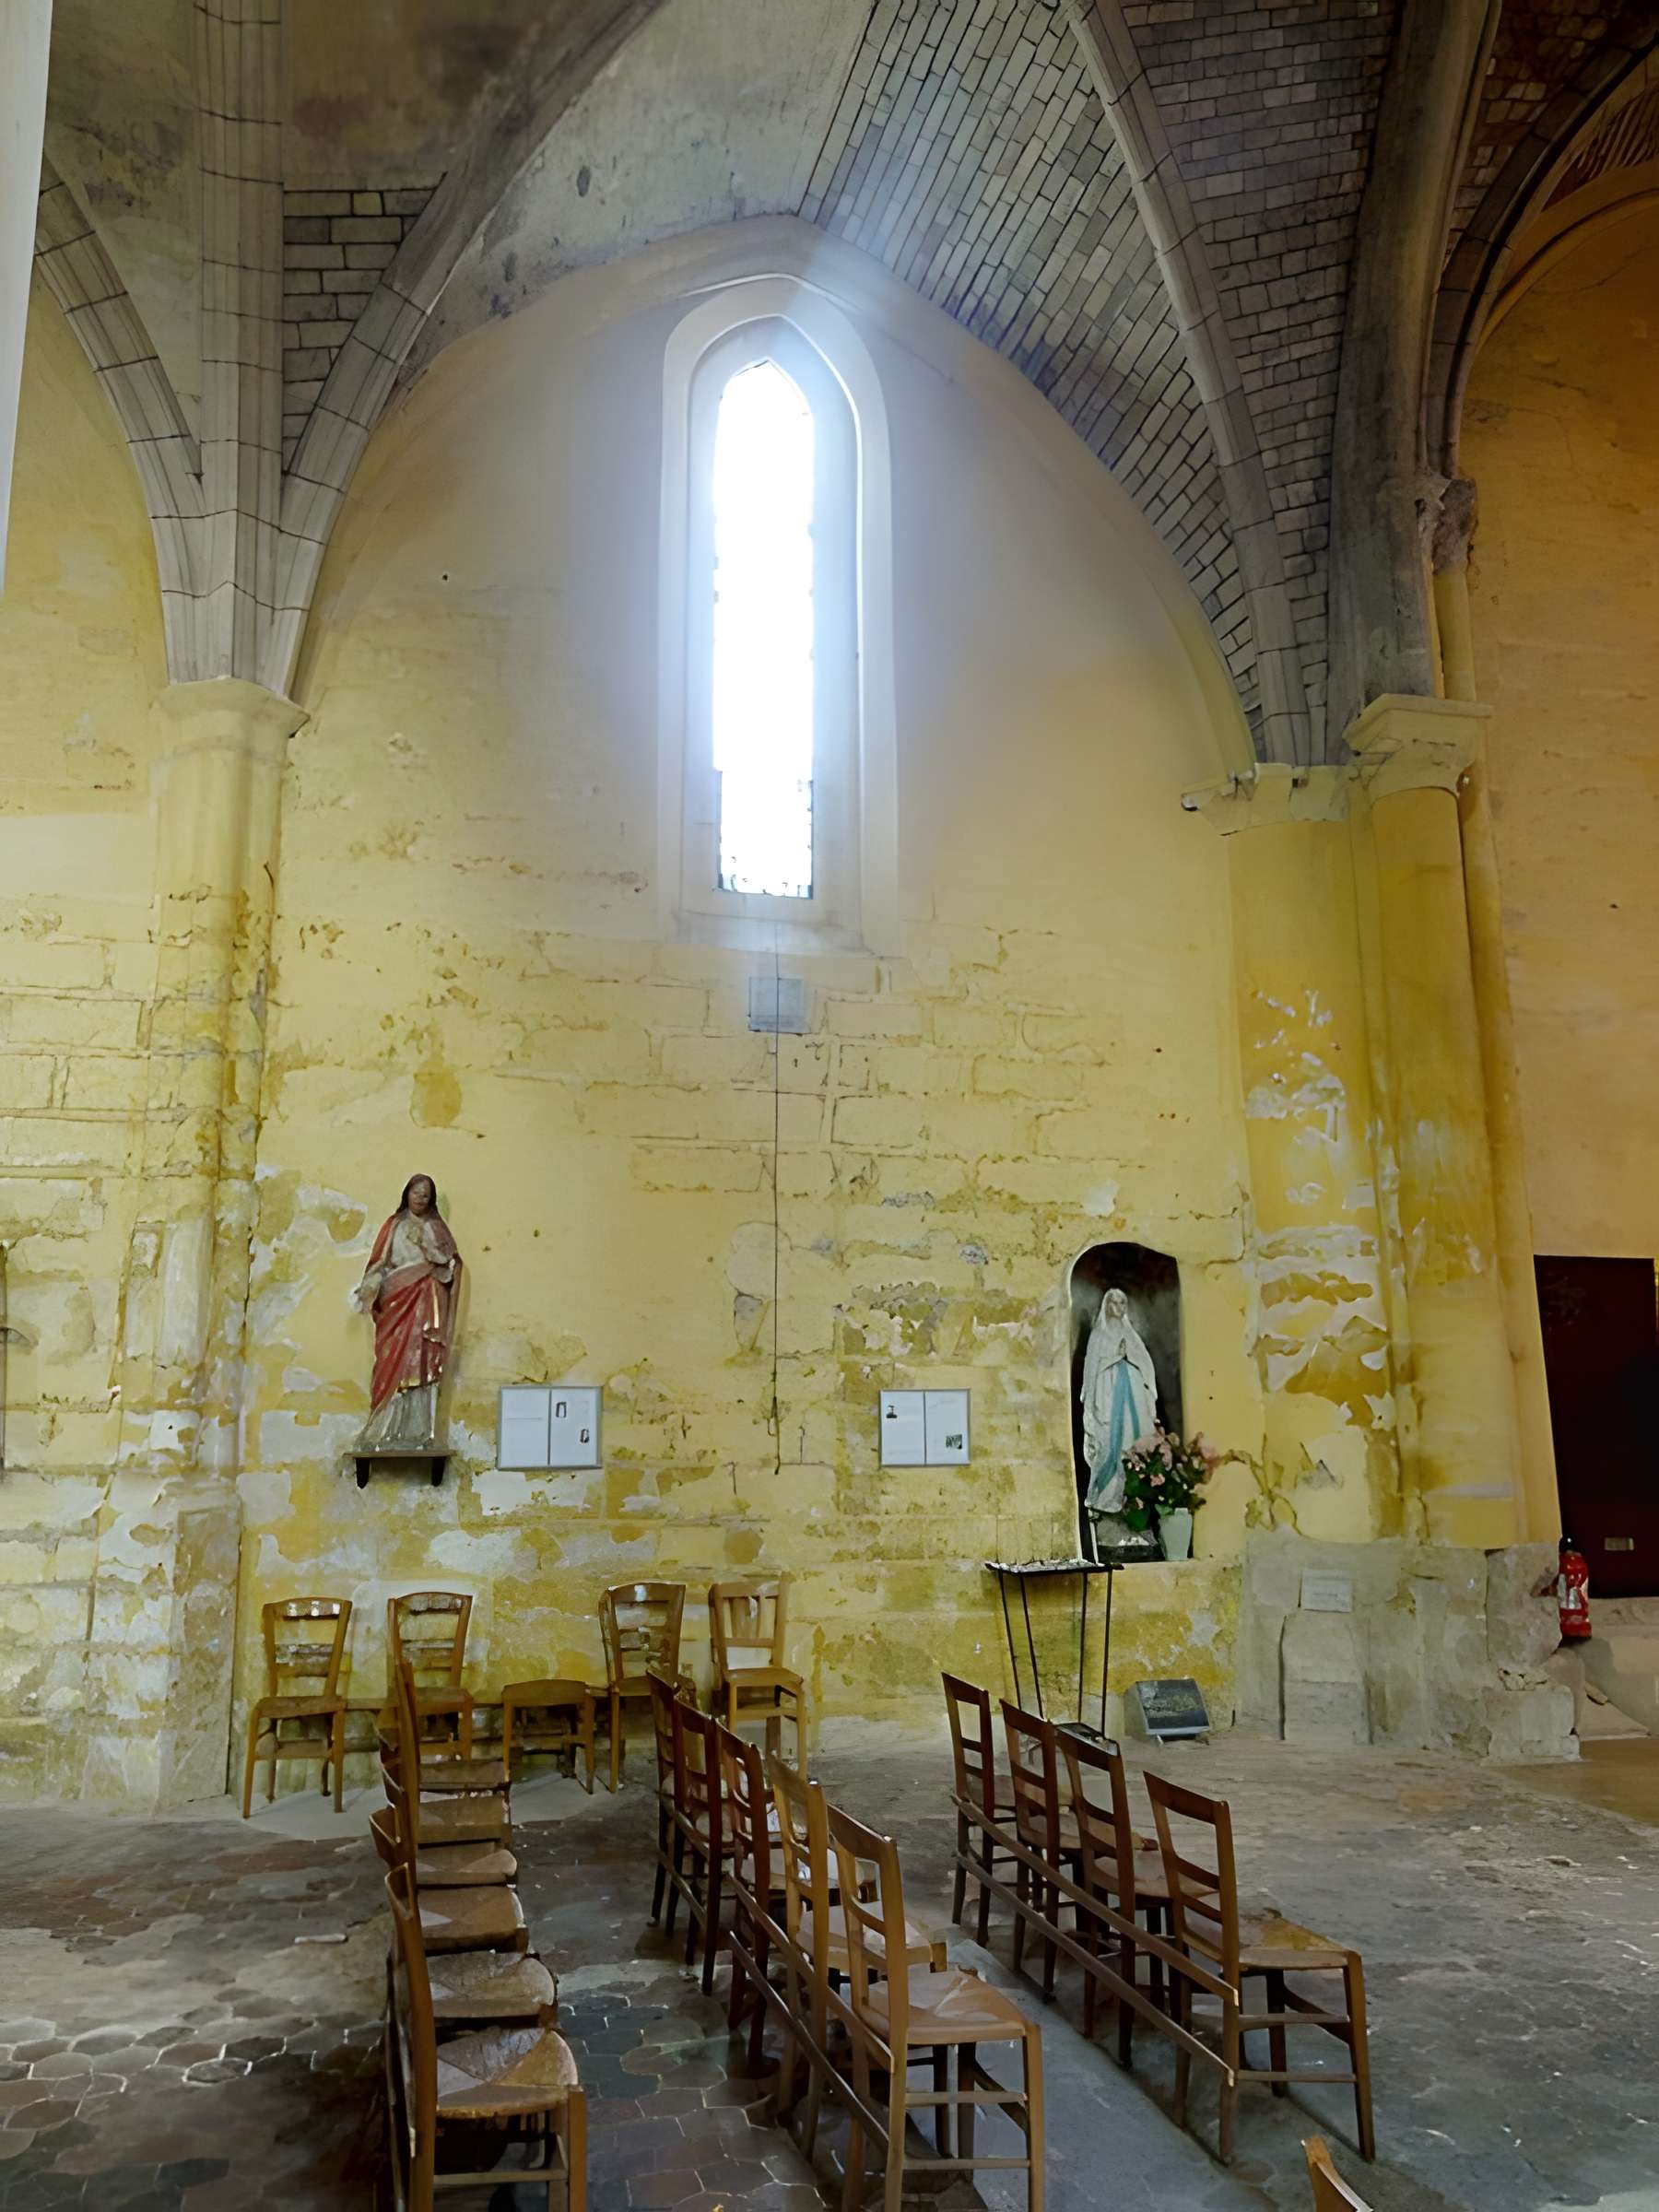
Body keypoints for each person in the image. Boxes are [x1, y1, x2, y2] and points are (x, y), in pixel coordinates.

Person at [354, 1173, 462, 1451]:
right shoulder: (394, 1225)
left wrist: (426, 1244)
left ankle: (418, 1431)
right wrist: (371, 1285)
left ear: (431, 1199)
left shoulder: (436, 1227)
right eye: (416, 1192)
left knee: (421, 1360)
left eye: (426, 1194)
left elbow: (449, 1265)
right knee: (391, 1362)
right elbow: (379, 1263)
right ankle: (381, 1429)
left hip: (426, 1301)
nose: (420, 1197)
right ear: (407, 1194)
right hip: (395, 1303)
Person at [1081, 1287, 1159, 1522]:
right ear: (1106, 1305)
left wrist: (1129, 1356)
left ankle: (1133, 1498)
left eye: (1122, 1303)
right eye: (1113, 1302)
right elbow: (1092, 1371)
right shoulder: (1099, 1336)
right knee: (1108, 1447)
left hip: (1131, 1399)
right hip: (1107, 1397)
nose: (1118, 1307)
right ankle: (1103, 1499)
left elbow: (1145, 1364)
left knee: (1132, 1441)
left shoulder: (1131, 1333)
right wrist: (1116, 1357)